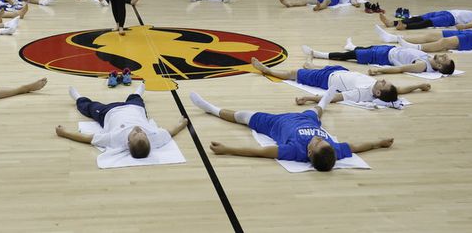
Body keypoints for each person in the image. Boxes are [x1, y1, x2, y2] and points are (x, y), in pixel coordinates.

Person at [189, 91, 393, 171]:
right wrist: (378, 143)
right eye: (324, 141)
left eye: (316, 143)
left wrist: (227, 149)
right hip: (306, 118)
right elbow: (358, 147)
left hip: (274, 123)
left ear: (310, 153)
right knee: (317, 110)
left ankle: (210, 109)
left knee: (243, 115)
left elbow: (259, 152)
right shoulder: (333, 151)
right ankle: (326, 98)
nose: (317, 139)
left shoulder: (294, 152)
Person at [55, 84, 188, 158]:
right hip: (135, 108)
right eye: (143, 133)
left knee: (88, 107)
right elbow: (170, 132)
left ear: (128, 142)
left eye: (136, 134)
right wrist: (181, 124)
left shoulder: (115, 140)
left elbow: (88, 138)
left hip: (108, 112)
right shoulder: (155, 138)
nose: (138, 130)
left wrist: (65, 133)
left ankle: (78, 97)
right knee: (135, 98)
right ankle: (138, 92)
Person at [250, 57, 431, 105]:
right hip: (340, 71)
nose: (383, 80)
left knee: (293, 73)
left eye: (383, 83)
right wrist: (419, 85)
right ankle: (311, 65)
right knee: (311, 67)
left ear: (377, 93)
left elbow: (334, 98)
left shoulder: (361, 94)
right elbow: (399, 90)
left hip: (326, 80)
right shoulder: (383, 91)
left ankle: (267, 70)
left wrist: (309, 99)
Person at [302, 40, 456, 75]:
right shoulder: (429, 59)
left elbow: (401, 68)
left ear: (440, 67)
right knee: (364, 49)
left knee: (349, 56)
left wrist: (380, 70)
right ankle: (351, 45)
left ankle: (317, 54)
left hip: (383, 56)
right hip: (389, 49)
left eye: (444, 59)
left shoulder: (422, 65)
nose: (442, 55)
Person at [379, 9, 472, 30]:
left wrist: (464, 26)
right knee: (419, 18)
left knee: (427, 23)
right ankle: (391, 23)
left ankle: (406, 26)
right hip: (446, 12)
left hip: (450, 18)